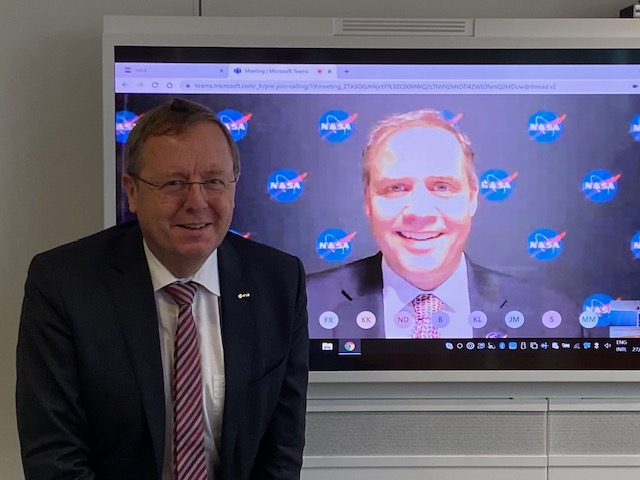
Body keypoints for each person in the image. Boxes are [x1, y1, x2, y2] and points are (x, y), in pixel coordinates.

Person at [16, 98, 309, 480]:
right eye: (173, 183)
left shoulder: (279, 281)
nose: (197, 202)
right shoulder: (62, 284)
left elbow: (281, 451)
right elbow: (53, 456)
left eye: (213, 181)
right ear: (132, 191)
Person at [307, 108, 583, 339]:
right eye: (396, 188)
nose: (419, 211)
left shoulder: (553, 318)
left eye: (441, 187)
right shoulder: (300, 308)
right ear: (368, 201)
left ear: (473, 198)